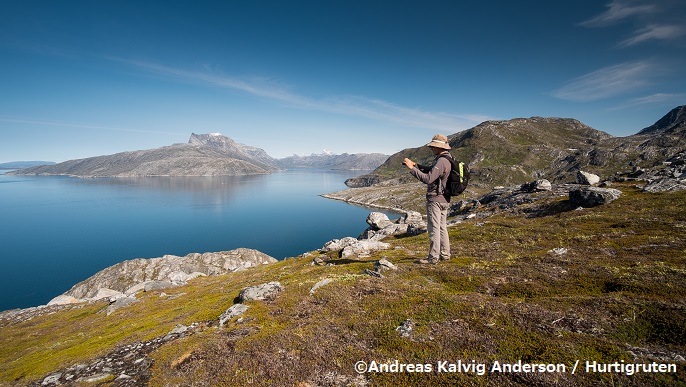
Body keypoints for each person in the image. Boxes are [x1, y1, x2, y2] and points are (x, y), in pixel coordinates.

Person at [403, 134, 452, 264]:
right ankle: (445, 254)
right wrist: (417, 165)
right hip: (444, 199)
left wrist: (412, 169)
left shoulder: (441, 161)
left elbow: (428, 178)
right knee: (442, 227)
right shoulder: (448, 159)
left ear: (438, 147)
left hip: (435, 200)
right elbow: (432, 171)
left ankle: (433, 258)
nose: (431, 149)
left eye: (432, 147)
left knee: (434, 228)